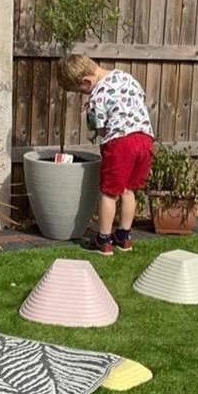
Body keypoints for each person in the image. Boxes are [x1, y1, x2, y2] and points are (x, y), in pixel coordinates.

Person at [56, 55, 154, 255]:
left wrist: (91, 117)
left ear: (86, 82)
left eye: (80, 91)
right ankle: (124, 237)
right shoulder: (126, 77)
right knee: (128, 190)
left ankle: (104, 240)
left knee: (109, 193)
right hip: (145, 139)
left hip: (120, 143)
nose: (83, 94)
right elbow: (140, 101)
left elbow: (99, 130)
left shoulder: (97, 94)